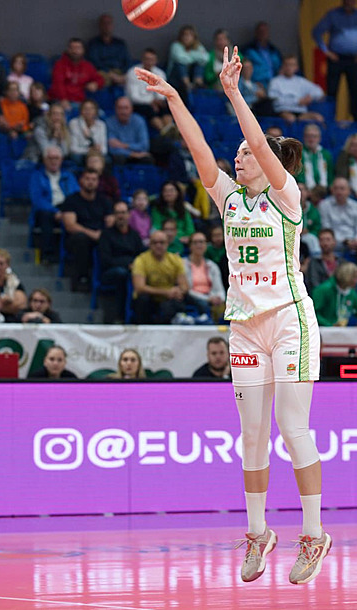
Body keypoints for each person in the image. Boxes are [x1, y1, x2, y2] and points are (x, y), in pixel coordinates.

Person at [136, 46, 330, 584]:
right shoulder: (230, 200)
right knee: (250, 436)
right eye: (238, 153)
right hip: (244, 325)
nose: (237, 158)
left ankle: (314, 535)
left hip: (290, 320)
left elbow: (262, 152)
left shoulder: (287, 198)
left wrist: (235, 94)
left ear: (266, 161)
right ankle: (258, 532)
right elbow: (198, 148)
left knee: (294, 429)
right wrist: (175, 97)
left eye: (246, 153)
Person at [60, 168, 114, 292]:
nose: (90, 182)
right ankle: (82, 278)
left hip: (101, 236)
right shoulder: (71, 200)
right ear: (81, 181)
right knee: (81, 239)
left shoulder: (105, 201)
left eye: (94, 179)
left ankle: (108, 277)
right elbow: (70, 225)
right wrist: (92, 234)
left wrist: (102, 234)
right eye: (87, 179)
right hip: (78, 238)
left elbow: (110, 222)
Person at [131, 229, 194, 324]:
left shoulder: (175, 260)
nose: (158, 245)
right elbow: (139, 287)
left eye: (162, 242)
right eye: (155, 242)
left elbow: (184, 286)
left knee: (178, 300)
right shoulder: (141, 260)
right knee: (142, 299)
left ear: (167, 244)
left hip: (169, 299)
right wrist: (165, 292)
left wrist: (178, 291)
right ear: (150, 244)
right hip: (150, 299)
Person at [29, 146, 79, 264]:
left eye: (56, 158)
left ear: (61, 160)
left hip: (66, 208)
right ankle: (48, 255)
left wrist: (66, 212)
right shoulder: (37, 176)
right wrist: (55, 211)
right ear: (45, 160)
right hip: (47, 209)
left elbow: (76, 196)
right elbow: (37, 200)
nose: (54, 161)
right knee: (46, 216)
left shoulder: (69, 177)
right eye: (50, 158)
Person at [98, 200, 145, 323]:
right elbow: (105, 259)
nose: (121, 216)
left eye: (123, 212)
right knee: (121, 274)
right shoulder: (106, 235)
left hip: (133, 270)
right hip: (110, 272)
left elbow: (142, 256)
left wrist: (135, 265)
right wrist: (127, 264)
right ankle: (120, 316)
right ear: (114, 215)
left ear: (129, 215)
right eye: (118, 213)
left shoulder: (134, 235)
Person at [312, 0, 357, 121]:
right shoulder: (333, 14)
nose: (350, 2)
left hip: (353, 59)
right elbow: (316, 32)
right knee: (332, 91)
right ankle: (330, 120)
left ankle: (355, 122)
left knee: (355, 91)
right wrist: (326, 51)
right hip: (336, 58)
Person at [48, 38, 104, 110]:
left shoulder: (87, 66)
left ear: (83, 50)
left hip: (80, 102)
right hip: (61, 101)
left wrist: (96, 84)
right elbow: (58, 84)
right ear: (68, 50)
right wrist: (63, 99)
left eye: (78, 48)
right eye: (72, 48)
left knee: (100, 113)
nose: (75, 51)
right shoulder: (60, 64)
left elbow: (100, 79)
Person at [125, 48, 172, 132]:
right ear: (142, 59)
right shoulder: (132, 72)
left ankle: (170, 130)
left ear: (156, 61)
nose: (149, 62)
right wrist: (151, 101)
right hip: (138, 103)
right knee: (149, 110)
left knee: (167, 107)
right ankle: (164, 132)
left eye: (152, 59)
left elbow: (162, 93)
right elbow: (133, 97)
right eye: (147, 59)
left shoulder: (160, 73)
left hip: (156, 102)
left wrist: (158, 101)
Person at [267, 56, 325, 124]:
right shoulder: (275, 81)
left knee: (318, 118)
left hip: (301, 112)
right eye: (287, 64)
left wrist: (310, 97)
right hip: (283, 111)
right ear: (283, 66)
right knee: (291, 118)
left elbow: (319, 91)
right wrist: (297, 101)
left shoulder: (301, 81)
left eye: (292, 65)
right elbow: (274, 99)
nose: (289, 67)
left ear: (296, 67)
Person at [183, 231, 226, 322]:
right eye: (195, 242)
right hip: (193, 299)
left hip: (211, 298)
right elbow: (187, 290)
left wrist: (219, 298)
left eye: (202, 242)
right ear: (190, 246)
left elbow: (219, 289)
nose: (199, 245)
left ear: (206, 245)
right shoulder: (183, 264)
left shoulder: (212, 265)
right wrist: (208, 299)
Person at [87, 13, 132, 88]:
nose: (106, 26)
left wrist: (123, 75)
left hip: (119, 72)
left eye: (109, 23)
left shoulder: (120, 43)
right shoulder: (93, 43)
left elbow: (127, 61)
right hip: (102, 72)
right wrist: (110, 73)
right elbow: (94, 62)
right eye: (104, 23)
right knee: (99, 79)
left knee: (133, 79)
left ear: (112, 25)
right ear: (100, 26)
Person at [167, 25, 209, 103]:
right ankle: (187, 85)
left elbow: (205, 58)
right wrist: (195, 56)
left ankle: (198, 82)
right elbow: (180, 58)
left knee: (200, 64)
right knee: (180, 64)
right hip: (176, 80)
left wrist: (189, 55)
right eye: (185, 35)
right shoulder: (176, 46)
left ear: (194, 37)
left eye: (189, 35)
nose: (187, 37)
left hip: (191, 76)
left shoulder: (198, 47)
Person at [318, 177, 357, 257]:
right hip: (334, 243)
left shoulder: (355, 206)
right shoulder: (324, 205)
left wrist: (355, 240)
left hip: (354, 243)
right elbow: (326, 228)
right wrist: (345, 241)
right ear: (332, 190)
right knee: (326, 240)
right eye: (336, 188)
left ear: (349, 191)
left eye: (342, 189)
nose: (339, 192)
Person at [106, 96, 150, 165]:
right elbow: (112, 147)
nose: (123, 111)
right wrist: (132, 154)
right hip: (121, 155)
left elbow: (144, 145)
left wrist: (125, 145)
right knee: (118, 158)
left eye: (126, 108)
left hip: (137, 154)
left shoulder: (139, 121)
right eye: (120, 108)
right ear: (115, 109)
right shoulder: (109, 123)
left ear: (131, 109)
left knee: (147, 159)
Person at [150, 180, 195, 246]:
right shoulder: (157, 209)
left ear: (177, 193)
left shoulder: (184, 209)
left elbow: (190, 229)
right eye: (165, 191)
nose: (168, 193)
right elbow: (157, 227)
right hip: (164, 241)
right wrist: (175, 238)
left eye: (171, 191)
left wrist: (187, 237)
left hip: (183, 241)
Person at [312, 261, 357, 326]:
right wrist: (330, 325)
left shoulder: (351, 292)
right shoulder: (323, 290)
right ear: (347, 277)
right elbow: (314, 313)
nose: (356, 281)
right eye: (354, 277)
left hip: (340, 331)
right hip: (323, 331)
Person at [243, 21, 283, 89]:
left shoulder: (274, 50)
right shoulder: (248, 50)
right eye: (261, 31)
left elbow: (281, 67)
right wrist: (252, 83)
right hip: (256, 85)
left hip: (275, 84)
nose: (263, 34)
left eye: (265, 31)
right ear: (256, 33)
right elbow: (244, 68)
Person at [305, 228, 346, 293]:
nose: (325, 243)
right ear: (319, 243)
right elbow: (314, 284)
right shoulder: (314, 263)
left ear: (334, 242)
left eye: (328, 240)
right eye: (322, 240)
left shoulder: (342, 263)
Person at [68, 99, 107, 164]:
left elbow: (104, 149)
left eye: (91, 109)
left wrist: (97, 150)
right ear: (81, 111)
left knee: (106, 160)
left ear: (96, 111)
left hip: (97, 154)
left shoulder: (101, 125)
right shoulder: (74, 123)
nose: (88, 111)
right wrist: (89, 151)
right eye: (85, 109)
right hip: (81, 154)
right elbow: (73, 148)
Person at [296, 124, 333, 192]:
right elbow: (296, 174)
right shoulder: (298, 153)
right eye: (308, 136)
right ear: (304, 137)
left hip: (324, 190)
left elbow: (330, 175)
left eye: (314, 136)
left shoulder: (325, 154)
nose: (311, 139)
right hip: (305, 190)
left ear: (319, 138)